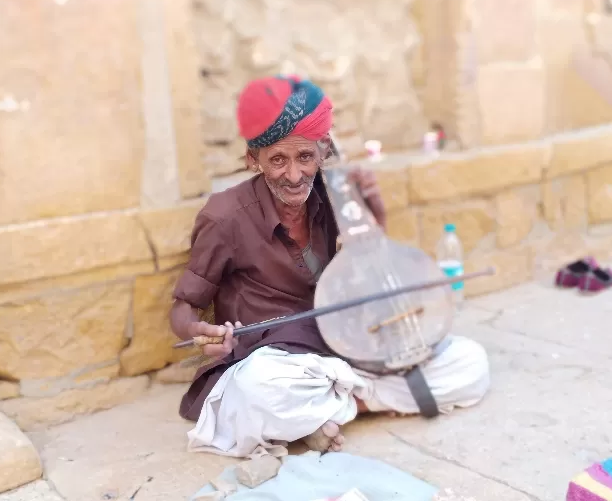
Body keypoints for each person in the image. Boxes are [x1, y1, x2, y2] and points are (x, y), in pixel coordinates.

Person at [170, 75, 491, 458]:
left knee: (470, 362)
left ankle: (338, 408)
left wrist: (376, 221)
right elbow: (183, 307)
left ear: (323, 151)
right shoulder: (225, 217)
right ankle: (340, 402)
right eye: (277, 160)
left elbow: (367, 274)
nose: (293, 175)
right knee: (258, 387)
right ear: (252, 159)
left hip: (345, 348)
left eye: (305, 157)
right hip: (279, 360)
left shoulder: (338, 195)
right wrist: (198, 330)